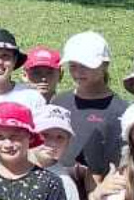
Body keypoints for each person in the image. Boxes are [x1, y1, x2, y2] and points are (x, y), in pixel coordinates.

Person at [53, 30, 128, 177]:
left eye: (85, 66)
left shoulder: (121, 110)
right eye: (73, 66)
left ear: (105, 65)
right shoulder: (59, 102)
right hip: (59, 182)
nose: (78, 72)